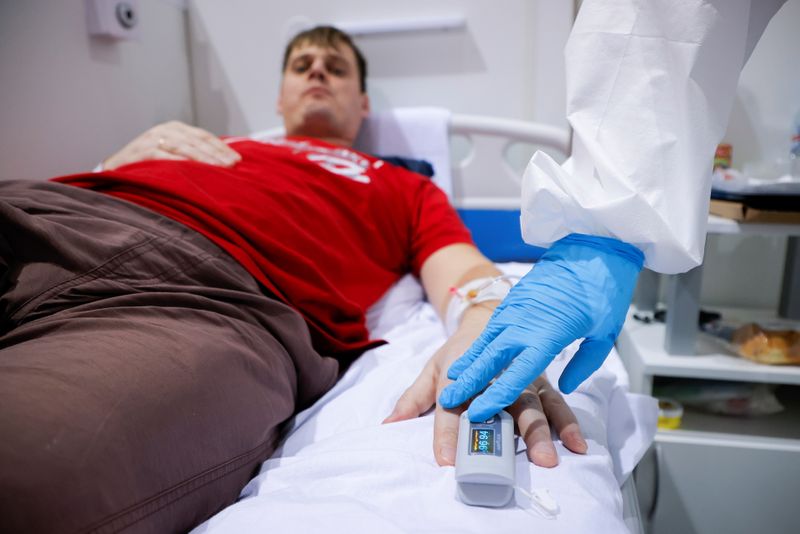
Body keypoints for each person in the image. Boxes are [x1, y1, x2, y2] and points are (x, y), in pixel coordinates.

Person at [0, 26, 585, 534]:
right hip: (44, 210)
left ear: (361, 104)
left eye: (335, 68)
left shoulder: (403, 186)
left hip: (201, 295)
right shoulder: (212, 143)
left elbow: (467, 274)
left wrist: (486, 326)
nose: (317, 73)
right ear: (279, 97)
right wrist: (113, 163)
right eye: (302, 65)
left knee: (28, 474)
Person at [440, 0, 790, 423]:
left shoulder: (400, 182)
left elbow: (666, 19)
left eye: (339, 68)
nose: (330, 80)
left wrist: (475, 316)